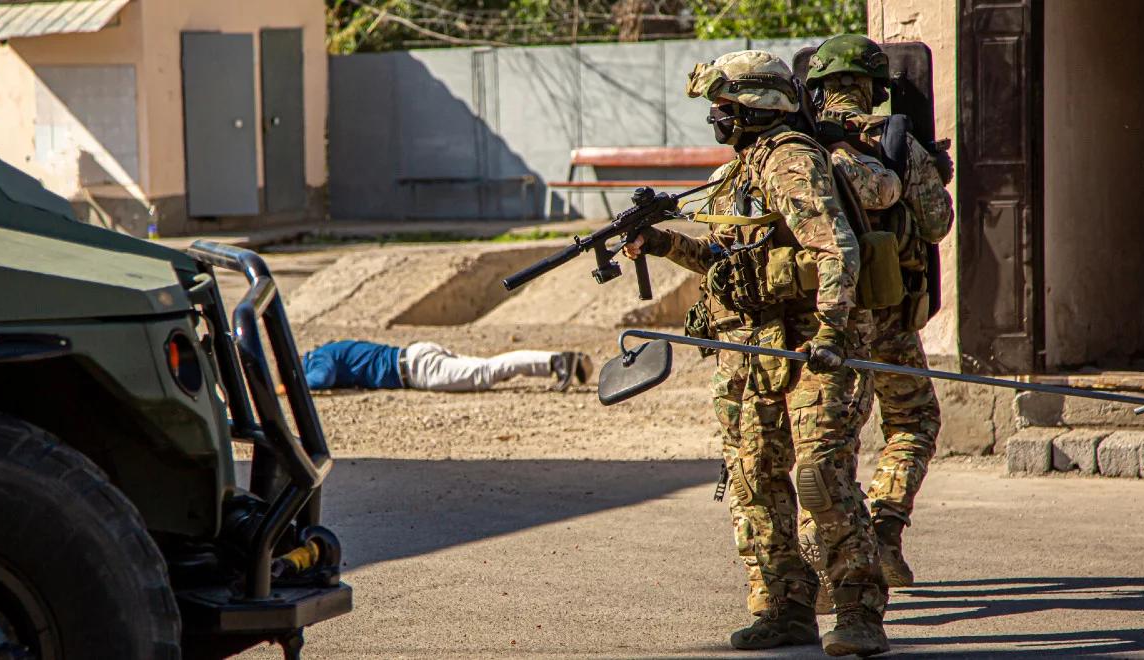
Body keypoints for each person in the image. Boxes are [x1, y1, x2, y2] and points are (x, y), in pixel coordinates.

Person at [624, 50, 889, 657]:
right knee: (754, 480)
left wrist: (830, 332)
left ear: (753, 106)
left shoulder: (791, 162)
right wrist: (662, 242)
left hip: (812, 348)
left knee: (821, 476)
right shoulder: (736, 173)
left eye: (723, 107)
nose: (715, 118)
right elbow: (727, 264)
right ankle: (784, 607)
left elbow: (836, 250)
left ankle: (858, 610)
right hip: (750, 354)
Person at [801, 34, 954, 593]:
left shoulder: (797, 148)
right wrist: (934, 172)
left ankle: (825, 565)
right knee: (913, 422)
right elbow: (937, 225)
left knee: (825, 442)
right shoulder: (895, 143)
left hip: (824, 321)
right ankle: (885, 530)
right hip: (888, 314)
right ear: (873, 87)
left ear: (816, 87)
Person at [294, 340, 592, 393]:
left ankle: (556, 361)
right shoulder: (331, 348)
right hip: (416, 354)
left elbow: (321, 378)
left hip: (415, 370)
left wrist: (290, 385)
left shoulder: (317, 359)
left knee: (487, 372)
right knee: (486, 367)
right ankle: (567, 362)